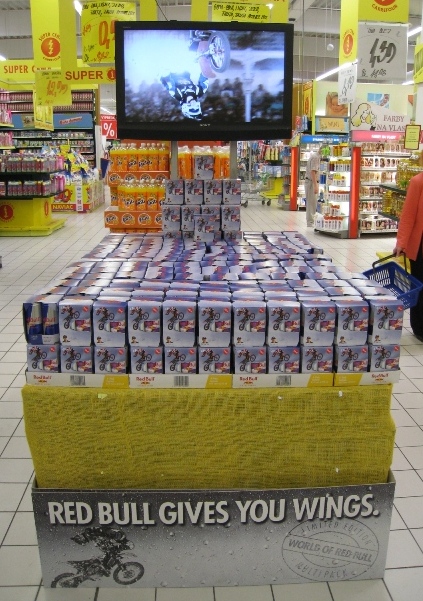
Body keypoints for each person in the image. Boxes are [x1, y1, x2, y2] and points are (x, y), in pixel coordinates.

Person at [393, 153, 423, 341]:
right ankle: (419, 328)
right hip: (420, 246)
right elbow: (408, 215)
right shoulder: (417, 182)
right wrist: (401, 243)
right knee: (420, 286)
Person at [304, 146, 321, 227]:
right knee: (311, 203)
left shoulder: (315, 157)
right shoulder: (315, 158)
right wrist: (315, 185)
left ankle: (311, 221)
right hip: (311, 182)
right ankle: (310, 222)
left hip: (311, 182)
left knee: (312, 203)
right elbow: (313, 172)